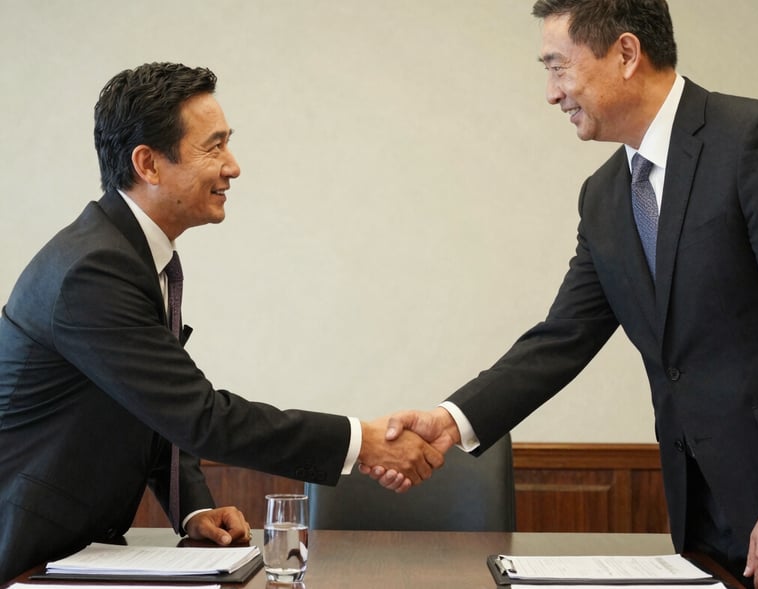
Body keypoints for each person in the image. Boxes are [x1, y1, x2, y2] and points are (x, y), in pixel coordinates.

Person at [368, 0, 758, 586]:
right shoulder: (605, 195)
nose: (552, 93)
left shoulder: (750, 141)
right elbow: (563, 338)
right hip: (702, 514)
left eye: (558, 66)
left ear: (626, 53)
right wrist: (452, 421)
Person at [0, 62, 445, 583]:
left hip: (71, 550)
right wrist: (361, 439)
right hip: (23, 555)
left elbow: (153, 403)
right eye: (213, 147)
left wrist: (193, 511)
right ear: (148, 163)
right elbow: (200, 416)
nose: (233, 166)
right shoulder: (95, 269)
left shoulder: (126, 251)